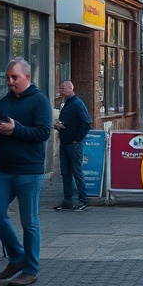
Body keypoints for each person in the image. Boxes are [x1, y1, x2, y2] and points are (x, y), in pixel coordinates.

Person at [0, 58, 53, 286]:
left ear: (27, 78)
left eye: (14, 77)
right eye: (8, 77)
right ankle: (16, 257)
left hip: (29, 172)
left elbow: (43, 133)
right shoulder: (4, 102)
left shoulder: (39, 101)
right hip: (5, 171)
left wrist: (15, 130)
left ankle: (31, 269)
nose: (10, 81)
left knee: (29, 221)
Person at [53, 80, 91, 211]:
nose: (61, 91)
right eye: (60, 88)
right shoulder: (67, 103)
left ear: (70, 88)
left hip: (73, 144)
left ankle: (83, 200)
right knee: (65, 173)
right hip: (65, 142)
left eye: (63, 88)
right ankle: (67, 200)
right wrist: (60, 126)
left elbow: (86, 122)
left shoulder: (77, 103)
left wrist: (78, 138)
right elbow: (70, 122)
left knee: (77, 172)